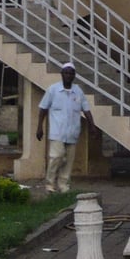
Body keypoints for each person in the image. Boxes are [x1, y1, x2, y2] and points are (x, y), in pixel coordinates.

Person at [35, 62, 95, 193]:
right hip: (57, 132)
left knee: (68, 161)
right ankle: (50, 184)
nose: (68, 75)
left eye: (71, 73)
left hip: (72, 132)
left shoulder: (78, 91)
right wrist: (39, 127)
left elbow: (86, 110)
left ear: (74, 76)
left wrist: (92, 125)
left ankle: (64, 186)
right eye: (66, 73)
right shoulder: (53, 90)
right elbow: (43, 108)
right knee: (56, 156)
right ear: (61, 74)